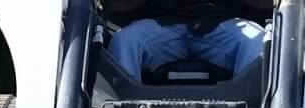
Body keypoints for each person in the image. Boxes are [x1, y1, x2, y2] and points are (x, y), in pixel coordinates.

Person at [106, 0, 274, 82]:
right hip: (161, 24)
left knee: (258, 42)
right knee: (125, 41)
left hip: (221, 23)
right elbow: (114, 6)